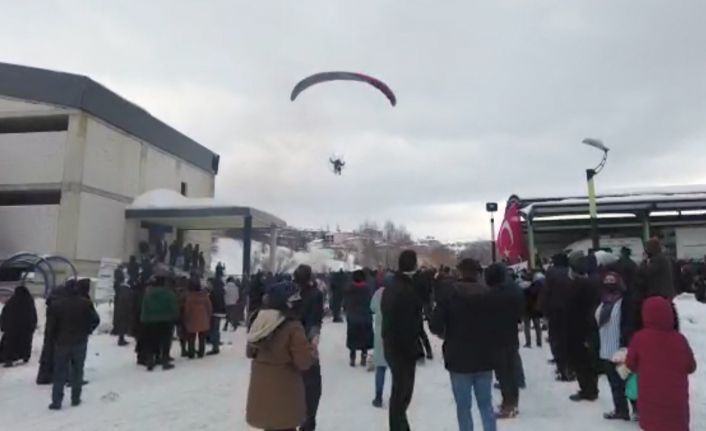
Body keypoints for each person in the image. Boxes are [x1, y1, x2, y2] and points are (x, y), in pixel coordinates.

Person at [430, 258, 497, 431]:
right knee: (486, 404)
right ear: (478, 273)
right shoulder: (489, 295)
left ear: (459, 272)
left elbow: (435, 324)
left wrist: (445, 334)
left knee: (463, 407)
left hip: (458, 357)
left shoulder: (449, 295)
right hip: (485, 356)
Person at [246, 281, 314, 431]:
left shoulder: (259, 319)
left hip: (262, 387)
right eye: (295, 298)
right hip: (285, 389)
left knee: (270, 424)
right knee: (284, 424)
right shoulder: (292, 326)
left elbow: (250, 352)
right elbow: (304, 362)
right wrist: (311, 349)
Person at [626, 296, 696, 431]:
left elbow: (630, 364)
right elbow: (691, 367)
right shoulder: (680, 339)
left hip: (650, 400)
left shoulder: (639, 338)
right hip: (676, 402)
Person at [381, 250, 424, 431]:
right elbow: (409, 323)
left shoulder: (391, 286)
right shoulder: (406, 289)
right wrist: (414, 348)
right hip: (403, 348)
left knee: (400, 392)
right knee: (402, 394)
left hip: (392, 345)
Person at [45, 280, 100, 410]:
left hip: (61, 342)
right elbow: (96, 320)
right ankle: (75, 398)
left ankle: (56, 401)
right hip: (80, 342)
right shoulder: (85, 303)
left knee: (59, 372)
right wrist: (88, 330)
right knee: (77, 370)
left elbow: (51, 326)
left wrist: (53, 339)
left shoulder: (57, 305)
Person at [594, 272, 635, 421]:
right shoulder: (602, 301)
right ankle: (621, 409)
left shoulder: (625, 302)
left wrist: (626, 344)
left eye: (612, 282)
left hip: (620, 349)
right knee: (615, 383)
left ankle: (637, 409)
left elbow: (628, 323)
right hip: (606, 348)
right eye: (607, 282)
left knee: (628, 382)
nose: (609, 285)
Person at [486, 263, 524, 419]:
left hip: (497, 338)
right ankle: (511, 402)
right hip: (511, 335)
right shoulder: (514, 290)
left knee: (503, 373)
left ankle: (509, 405)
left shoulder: (492, 294)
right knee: (510, 370)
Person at [294, 264, 324, 431]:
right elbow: (316, 319)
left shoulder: (290, 294)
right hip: (307, 340)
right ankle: (308, 421)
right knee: (312, 387)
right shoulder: (316, 294)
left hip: (290, 342)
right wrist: (314, 338)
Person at [567, 256, 600, 402]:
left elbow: (570, 307)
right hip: (591, 325)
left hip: (578, 327)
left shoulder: (576, 286)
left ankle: (586, 390)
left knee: (580, 361)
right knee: (589, 360)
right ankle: (592, 388)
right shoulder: (593, 283)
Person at [543, 253, 573, 381]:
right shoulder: (571, 271)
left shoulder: (551, 272)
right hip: (571, 310)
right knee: (569, 338)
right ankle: (570, 367)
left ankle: (562, 368)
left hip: (555, 311)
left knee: (556, 339)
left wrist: (544, 311)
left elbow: (546, 291)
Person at [140, 276, 179, 371]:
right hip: (166, 321)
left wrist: (144, 319)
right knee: (165, 341)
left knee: (152, 341)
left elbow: (145, 308)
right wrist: (175, 317)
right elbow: (173, 307)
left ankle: (150, 360)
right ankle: (165, 361)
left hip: (151, 321)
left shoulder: (148, 294)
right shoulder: (169, 293)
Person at [0, 285, 38, 367]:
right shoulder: (29, 302)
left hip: (11, 329)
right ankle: (24, 356)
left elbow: (4, 314)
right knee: (25, 343)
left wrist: (3, 326)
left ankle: (8, 358)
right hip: (25, 329)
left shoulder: (11, 301)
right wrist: (33, 326)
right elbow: (33, 315)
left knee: (10, 344)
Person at [344, 270, 374, 367]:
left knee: (353, 338)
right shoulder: (367, 289)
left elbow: (346, 303)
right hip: (365, 317)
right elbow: (371, 302)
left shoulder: (349, 289)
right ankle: (363, 357)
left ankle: (352, 358)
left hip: (353, 317)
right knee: (364, 338)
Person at [370, 278, 389, 408]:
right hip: (395, 333)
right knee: (397, 369)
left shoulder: (378, 293)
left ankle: (378, 397)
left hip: (380, 333)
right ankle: (397, 397)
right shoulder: (398, 293)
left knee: (380, 367)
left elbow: (372, 307)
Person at [183, 279, 212, 359]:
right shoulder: (204, 296)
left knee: (191, 337)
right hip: (203, 319)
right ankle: (201, 352)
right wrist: (208, 317)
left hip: (192, 319)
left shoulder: (189, 297)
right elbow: (209, 308)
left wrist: (186, 318)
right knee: (202, 338)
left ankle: (191, 352)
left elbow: (187, 309)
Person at [522, 271, 543, 348]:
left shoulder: (522, 287)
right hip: (535, 308)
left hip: (526, 308)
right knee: (537, 326)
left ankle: (528, 343)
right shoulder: (537, 286)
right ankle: (539, 342)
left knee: (527, 326)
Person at [207, 278, 226, 355]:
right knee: (216, 330)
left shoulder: (213, 292)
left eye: (208, 283)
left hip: (214, 312)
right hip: (220, 312)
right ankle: (216, 345)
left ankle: (215, 347)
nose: (208, 285)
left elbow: (211, 303)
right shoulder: (220, 291)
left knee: (213, 330)